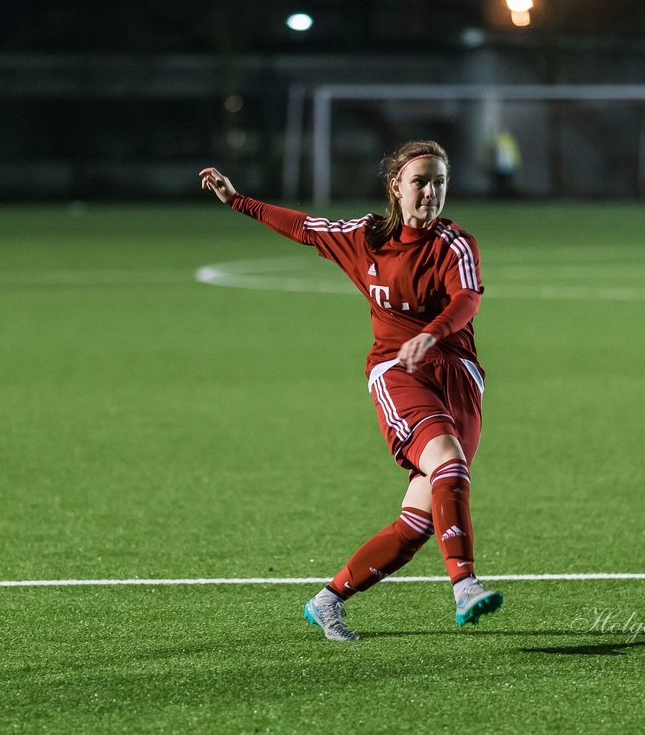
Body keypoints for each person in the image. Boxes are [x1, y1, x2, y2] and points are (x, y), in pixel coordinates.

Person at [199, 140, 503, 642]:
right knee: (446, 460)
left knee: (417, 524)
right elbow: (302, 227)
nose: (430, 193)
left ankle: (328, 600)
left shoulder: (456, 243)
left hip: (458, 377)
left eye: (440, 182)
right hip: (397, 371)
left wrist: (434, 332)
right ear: (396, 187)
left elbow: (467, 299)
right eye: (420, 182)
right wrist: (238, 200)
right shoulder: (364, 237)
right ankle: (464, 585)